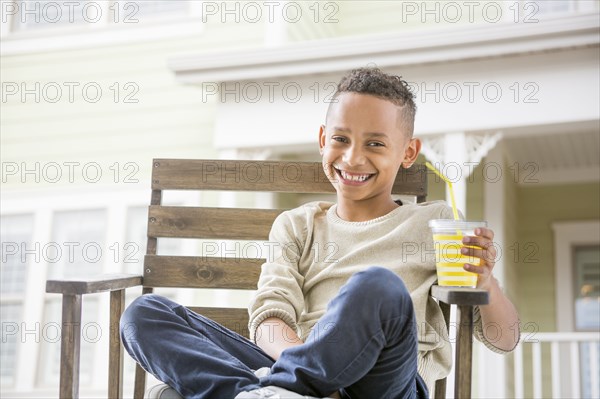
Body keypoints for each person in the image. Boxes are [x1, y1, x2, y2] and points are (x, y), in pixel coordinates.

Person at [120, 67, 520, 399]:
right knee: (143, 314)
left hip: (383, 385)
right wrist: (311, 367)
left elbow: (504, 339)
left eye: (376, 144)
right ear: (323, 140)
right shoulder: (297, 226)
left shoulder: (433, 222)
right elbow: (269, 319)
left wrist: (486, 282)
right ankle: (277, 393)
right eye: (341, 139)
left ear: (408, 153)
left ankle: (265, 392)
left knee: (376, 286)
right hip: (291, 369)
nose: (353, 158)